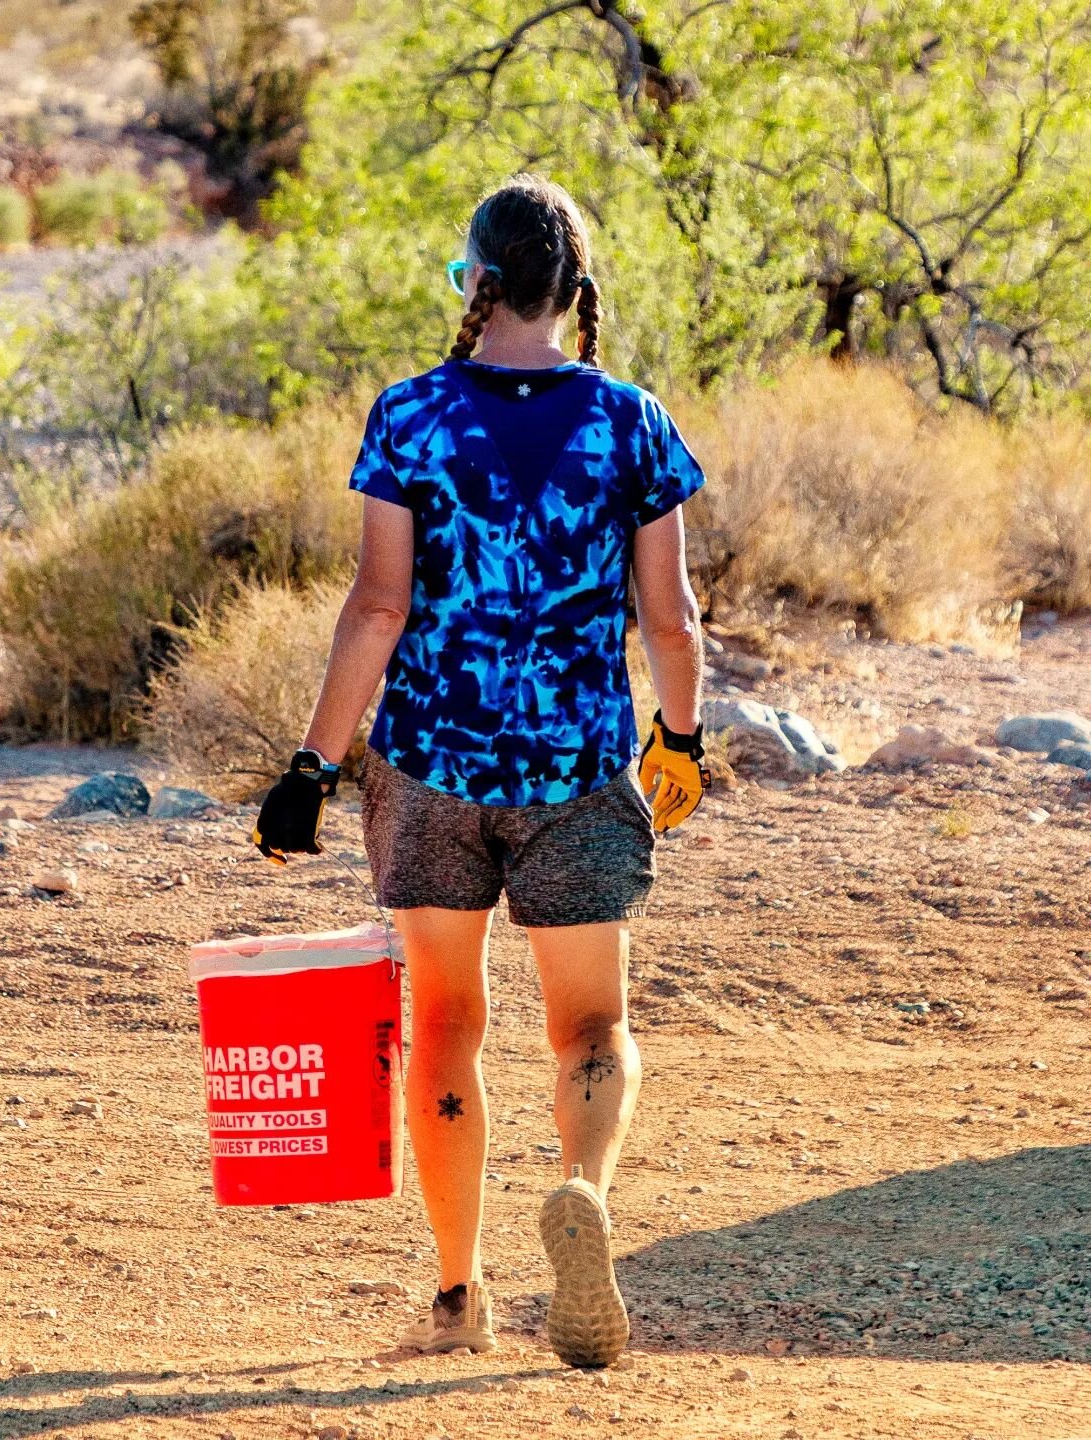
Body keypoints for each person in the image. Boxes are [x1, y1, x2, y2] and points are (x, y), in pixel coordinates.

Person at [251, 174, 708, 1369]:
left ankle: (457, 1296)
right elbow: (673, 624)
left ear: (477, 284)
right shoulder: (631, 423)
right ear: (576, 293)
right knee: (593, 1026)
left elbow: (377, 607)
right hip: (577, 768)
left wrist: (313, 763)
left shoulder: (410, 419)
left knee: (445, 1026)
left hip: (430, 772)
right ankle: (585, 1190)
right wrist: (681, 740)